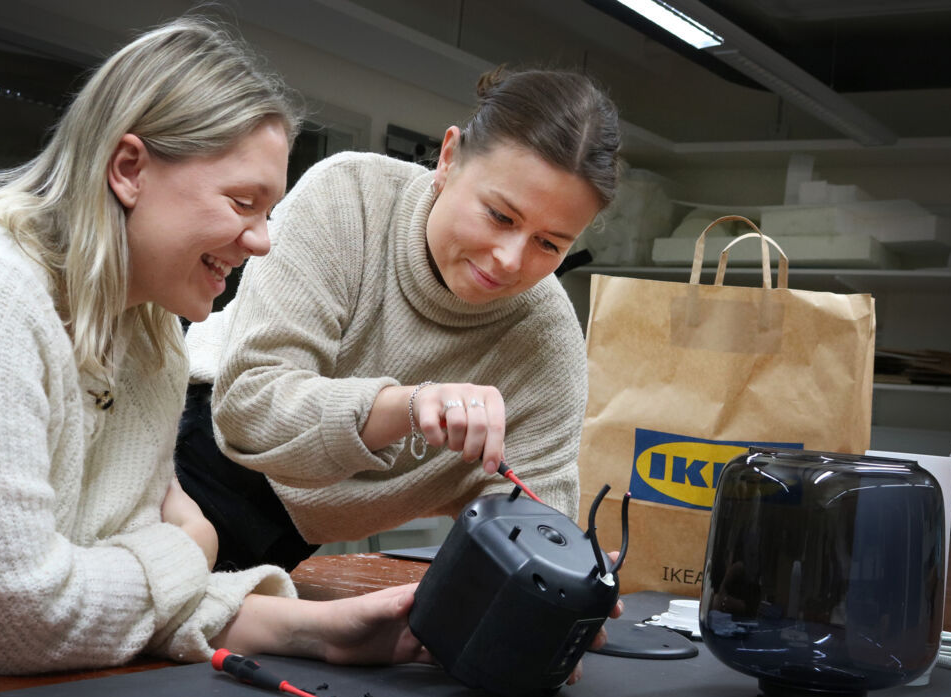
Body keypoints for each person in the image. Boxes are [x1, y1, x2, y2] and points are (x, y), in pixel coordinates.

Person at [0, 16, 428, 675]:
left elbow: (105, 582)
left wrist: (320, 631)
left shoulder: (149, 338)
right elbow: (17, 619)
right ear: (128, 169)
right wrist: (190, 546)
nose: (263, 240)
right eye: (242, 202)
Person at [177, 67, 622, 572]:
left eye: (549, 243)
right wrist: (410, 405)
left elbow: (534, 511)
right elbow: (251, 409)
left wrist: (556, 584)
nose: (510, 260)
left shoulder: (546, 340)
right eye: (501, 216)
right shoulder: (350, 197)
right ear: (450, 158)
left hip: (291, 534)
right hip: (196, 457)